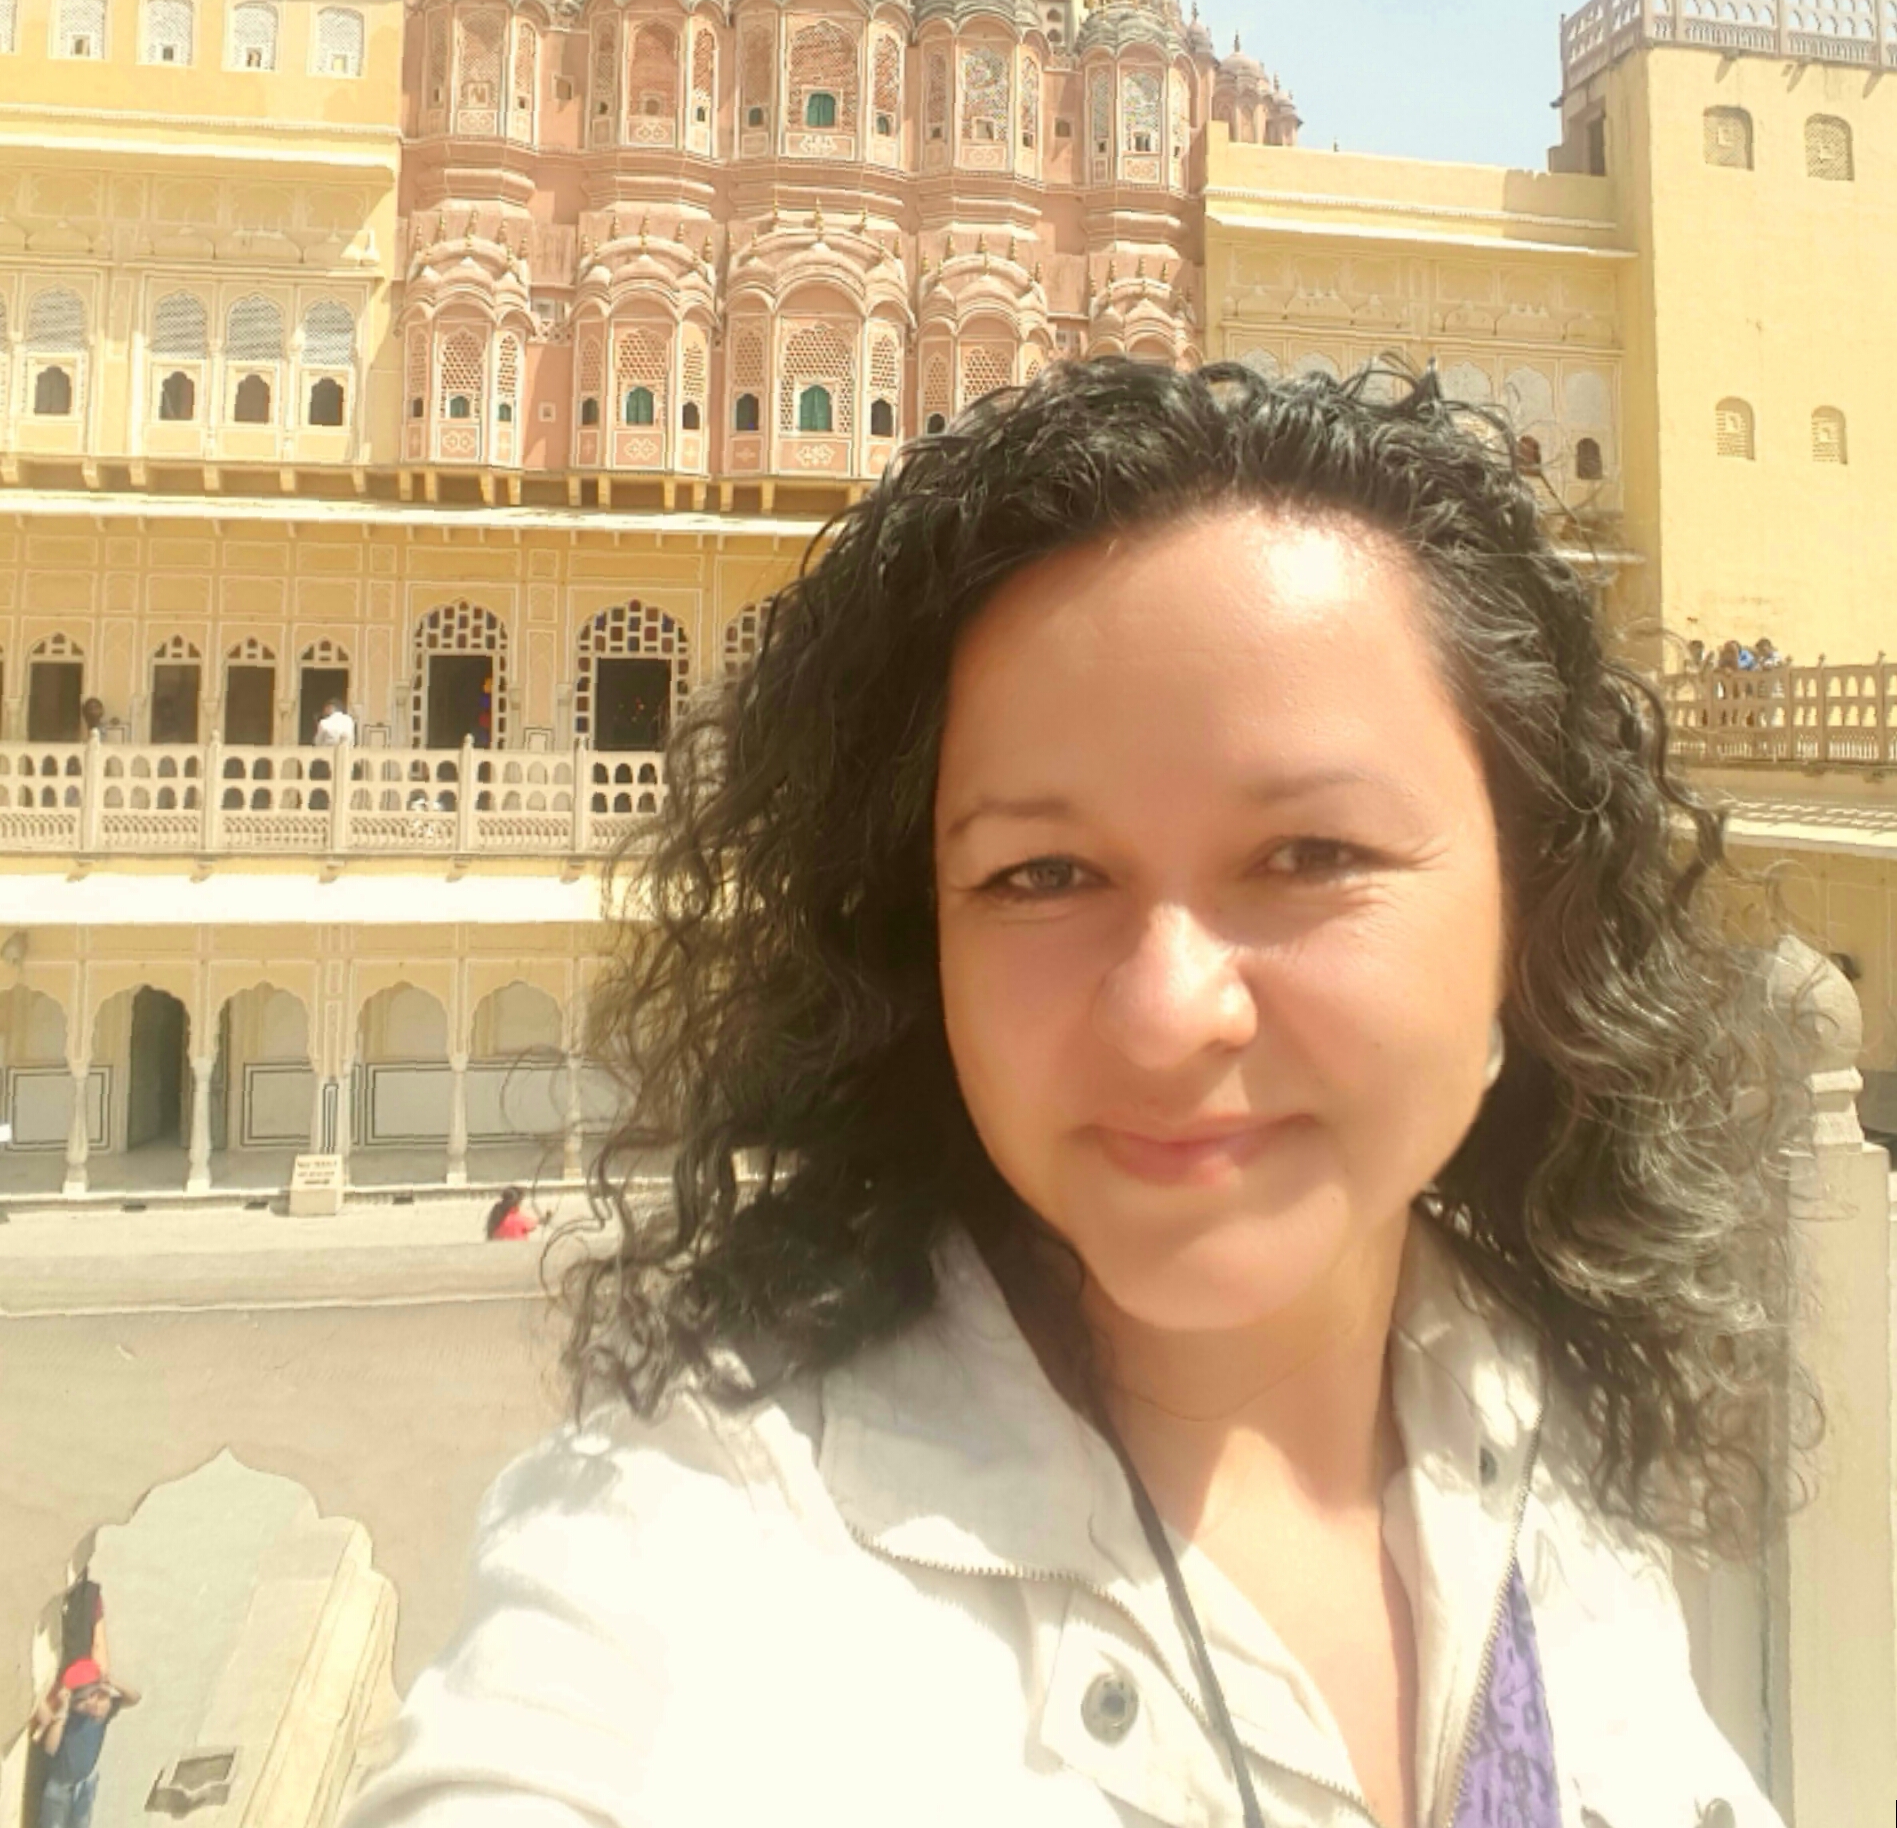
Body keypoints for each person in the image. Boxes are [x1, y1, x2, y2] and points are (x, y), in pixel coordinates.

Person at [347, 358, 1805, 1828]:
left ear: (1530, 909)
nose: (1166, 1012)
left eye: (1309, 855)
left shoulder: (1544, 1434)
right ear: (918, 940)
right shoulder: (710, 1544)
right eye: (1041, 874)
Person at [33, 1659, 138, 1828]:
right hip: (60, 1786)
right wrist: (62, 1713)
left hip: (86, 1781)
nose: (91, 1703)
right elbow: (50, 1748)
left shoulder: (100, 1713)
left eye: (94, 1695)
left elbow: (134, 1698)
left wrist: (111, 1681)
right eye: (83, 1699)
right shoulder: (68, 1718)